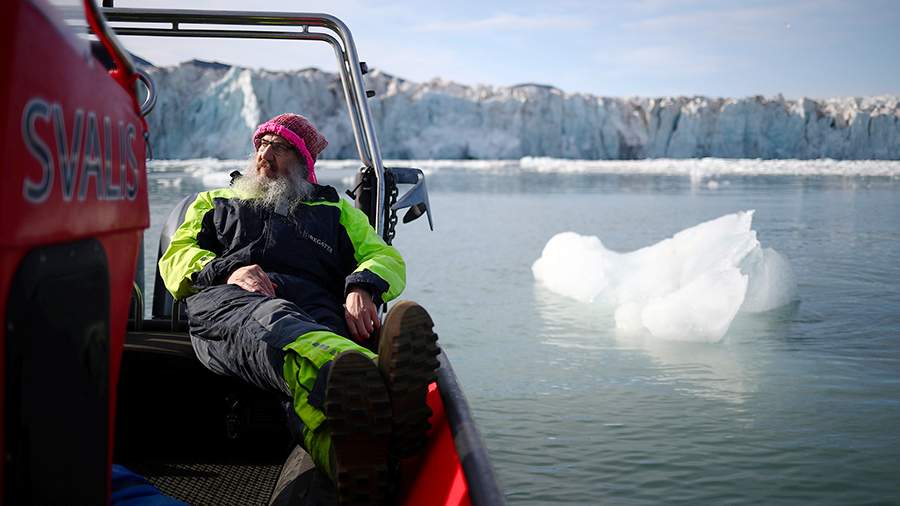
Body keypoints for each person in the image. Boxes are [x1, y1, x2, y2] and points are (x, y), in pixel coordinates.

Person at [157, 113, 439, 505]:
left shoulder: (334, 209)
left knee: (307, 389)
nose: (265, 154)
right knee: (274, 323)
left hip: (314, 310)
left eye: (281, 146)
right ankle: (377, 379)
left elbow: (383, 256)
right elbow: (177, 258)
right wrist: (229, 270)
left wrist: (362, 287)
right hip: (229, 303)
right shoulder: (214, 202)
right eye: (261, 144)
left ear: (304, 162)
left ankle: (347, 462)